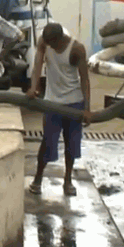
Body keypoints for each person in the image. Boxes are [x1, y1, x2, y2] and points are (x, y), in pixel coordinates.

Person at [26, 22, 93, 196]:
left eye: (52, 43)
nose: (49, 46)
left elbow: (85, 79)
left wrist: (87, 108)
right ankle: (38, 179)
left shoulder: (76, 49)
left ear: (59, 38)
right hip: (52, 102)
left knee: (72, 144)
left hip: (73, 102)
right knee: (48, 142)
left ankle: (68, 180)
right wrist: (34, 87)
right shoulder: (44, 42)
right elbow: (37, 66)